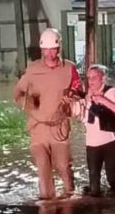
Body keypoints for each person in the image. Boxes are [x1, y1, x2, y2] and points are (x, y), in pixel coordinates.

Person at [13, 28, 83, 200]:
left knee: (63, 166)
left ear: (59, 48)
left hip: (60, 127)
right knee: (43, 168)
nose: (50, 53)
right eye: (46, 50)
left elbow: (79, 88)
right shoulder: (33, 69)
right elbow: (17, 93)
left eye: (53, 49)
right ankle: (46, 205)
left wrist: (72, 95)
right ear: (42, 49)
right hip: (38, 128)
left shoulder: (70, 68)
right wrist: (28, 103)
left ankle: (69, 203)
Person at [72, 64, 115, 197]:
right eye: (89, 78)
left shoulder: (111, 92)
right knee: (93, 179)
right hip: (92, 143)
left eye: (95, 78)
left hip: (112, 142)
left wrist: (103, 100)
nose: (91, 81)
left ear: (103, 78)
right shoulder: (86, 96)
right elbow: (84, 118)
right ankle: (96, 210)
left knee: (111, 177)